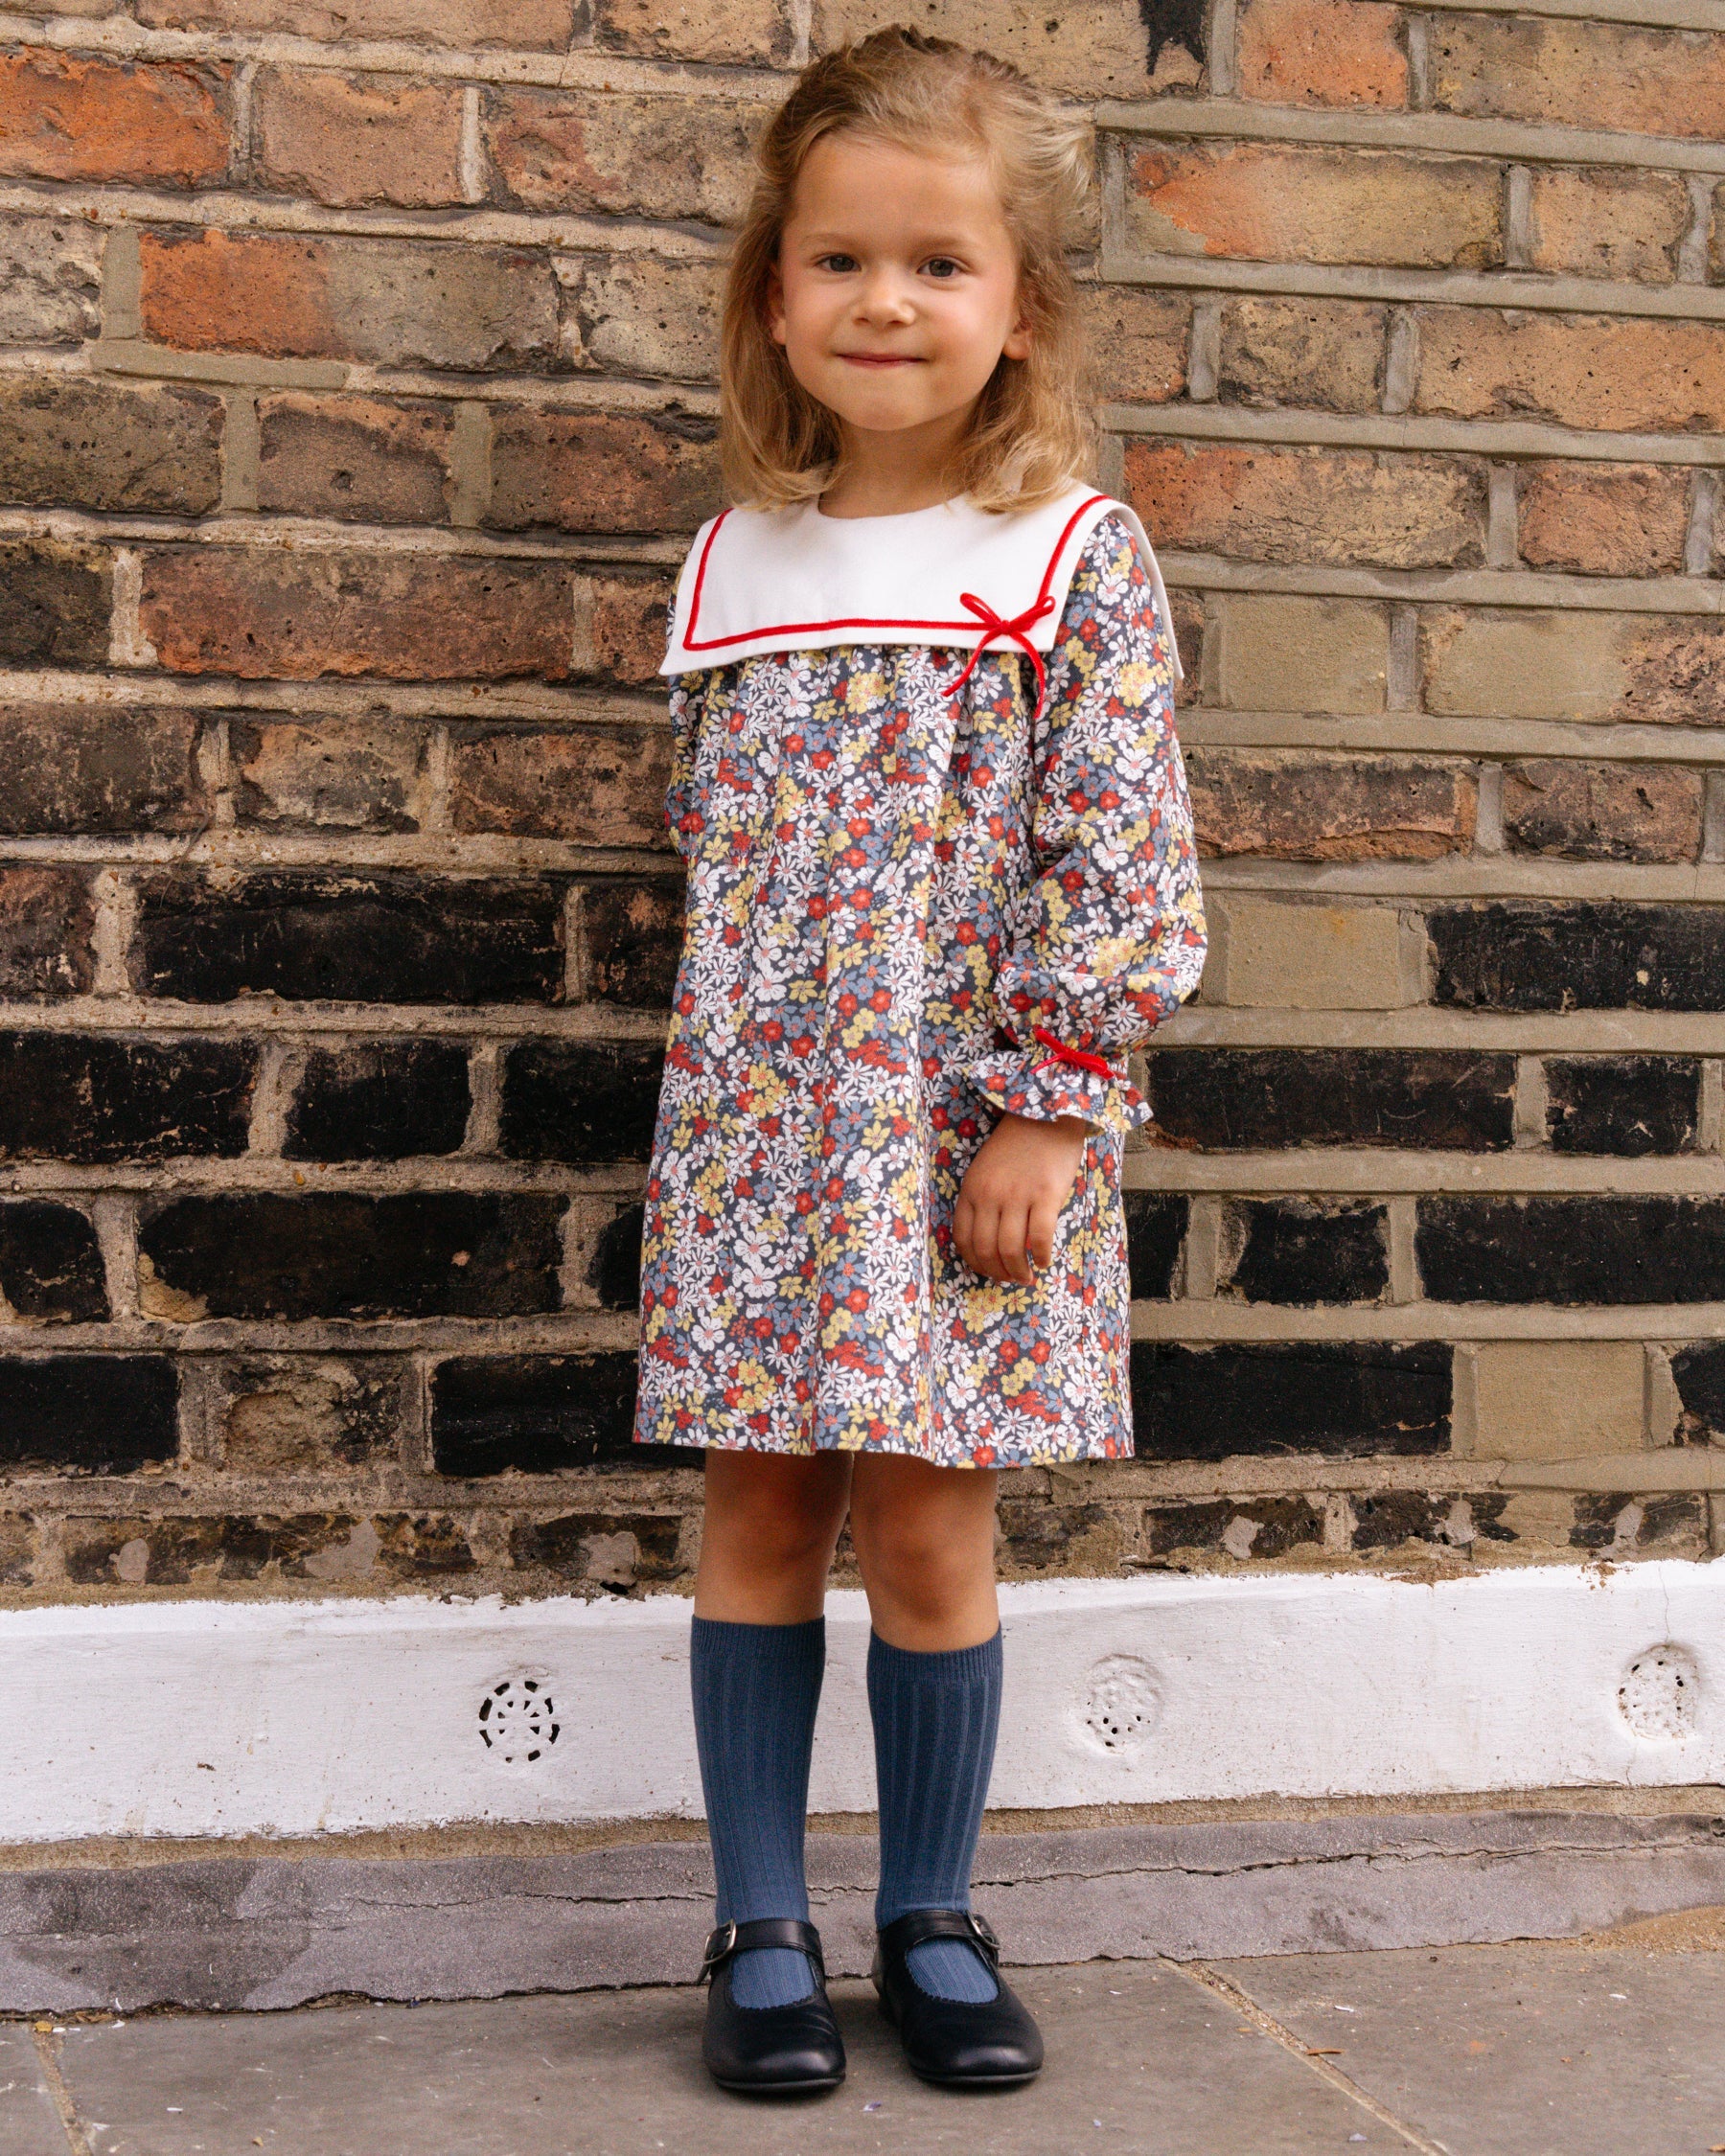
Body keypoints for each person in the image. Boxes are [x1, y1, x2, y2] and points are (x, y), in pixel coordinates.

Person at [633, 24, 1207, 2098]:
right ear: (773, 299)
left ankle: (935, 1913)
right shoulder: (731, 573)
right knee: (761, 1517)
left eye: (938, 266)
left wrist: (1053, 1104)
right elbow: (715, 862)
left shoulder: (1069, 556)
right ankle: (760, 1923)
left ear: (1018, 304)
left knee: (934, 1533)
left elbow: (1122, 856)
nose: (887, 303)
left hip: (967, 1146)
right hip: (756, 1152)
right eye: (840, 263)